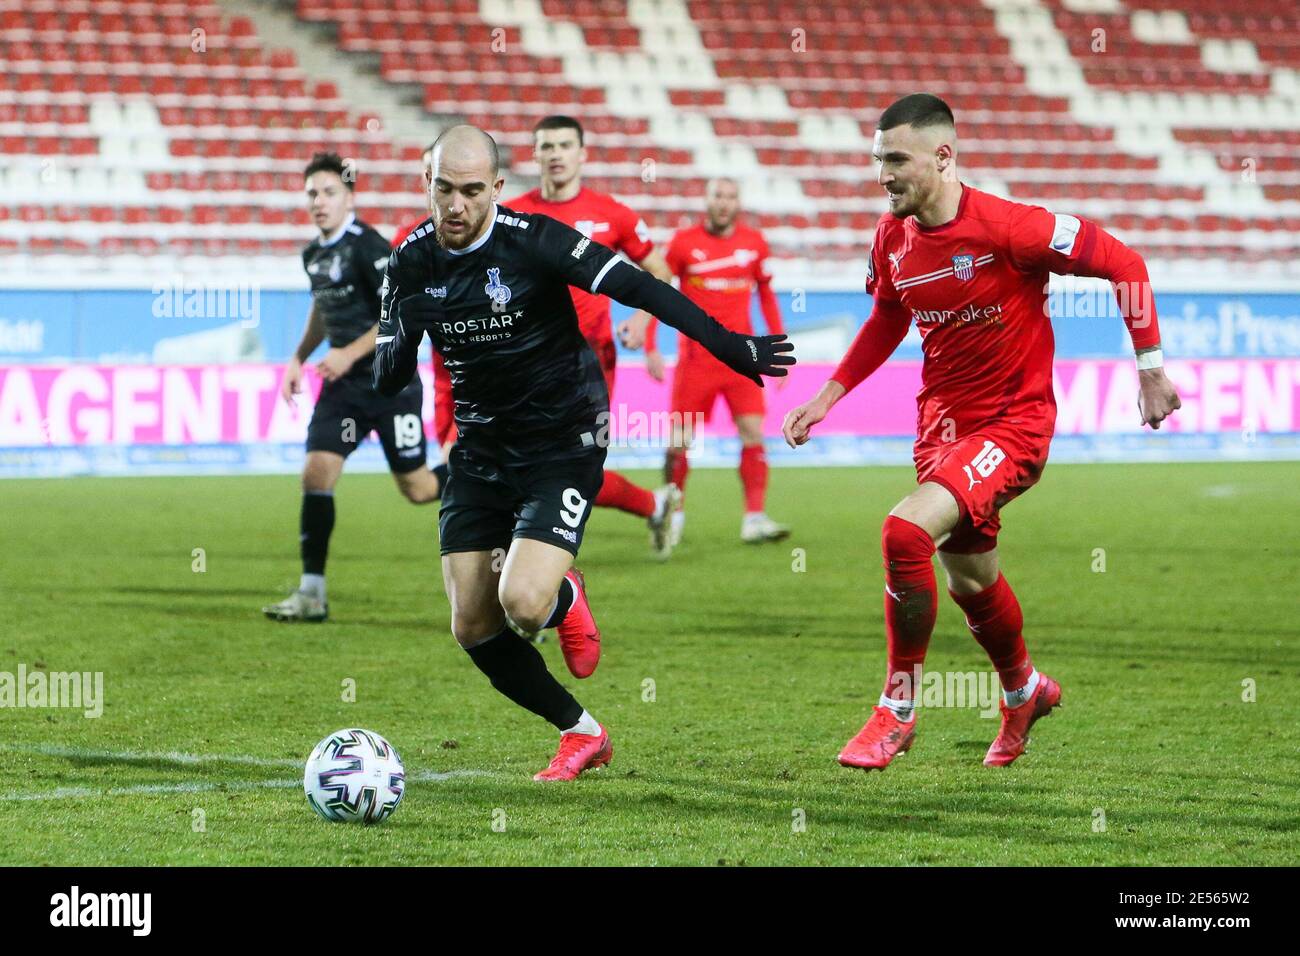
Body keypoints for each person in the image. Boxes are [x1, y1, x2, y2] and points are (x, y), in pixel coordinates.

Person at [374, 126, 793, 780]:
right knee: (472, 625)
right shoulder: (407, 262)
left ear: (497, 189)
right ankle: (582, 731)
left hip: (561, 439)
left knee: (523, 603)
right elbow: (390, 365)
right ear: (427, 185)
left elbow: (639, 286)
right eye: (443, 190)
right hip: (480, 450)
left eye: (471, 191)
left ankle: (561, 594)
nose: (455, 206)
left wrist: (732, 345)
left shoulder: (534, 239)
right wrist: (392, 350)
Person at [782, 94, 1181, 770]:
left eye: (896, 160)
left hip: (1014, 424)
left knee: (903, 532)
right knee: (971, 580)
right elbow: (887, 318)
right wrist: (828, 394)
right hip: (941, 431)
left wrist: (1150, 370)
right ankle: (1024, 689)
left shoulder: (1011, 228)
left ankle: (897, 709)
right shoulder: (892, 237)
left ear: (944, 157)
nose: (883, 175)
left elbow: (1124, 262)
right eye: (878, 160)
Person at [263, 151, 445, 623]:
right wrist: (298, 358)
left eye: (329, 193)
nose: (319, 202)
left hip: (391, 384)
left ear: (349, 198)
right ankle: (312, 593)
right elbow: (323, 311)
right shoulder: (314, 254)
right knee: (316, 474)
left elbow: (398, 315)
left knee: (420, 489)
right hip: (343, 390)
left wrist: (348, 353)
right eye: (312, 194)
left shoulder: (370, 248)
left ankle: (474, 466)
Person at [507, 115, 682, 558]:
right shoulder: (512, 215)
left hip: (588, 364)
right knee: (535, 465)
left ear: (582, 154)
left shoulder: (612, 214)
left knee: (571, 466)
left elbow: (662, 276)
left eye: (565, 145)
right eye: (546, 146)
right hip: (523, 363)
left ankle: (534, 575)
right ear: (535, 154)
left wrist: (643, 322)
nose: (555, 154)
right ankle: (654, 504)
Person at [643, 176, 791, 545]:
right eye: (717, 196)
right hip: (696, 360)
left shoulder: (754, 243)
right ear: (706, 201)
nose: (724, 203)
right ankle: (672, 515)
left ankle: (754, 518)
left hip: (741, 359)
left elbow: (767, 296)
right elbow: (655, 290)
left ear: (737, 202)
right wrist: (651, 345)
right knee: (679, 442)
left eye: (730, 196)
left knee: (753, 433)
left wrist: (777, 348)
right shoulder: (683, 243)